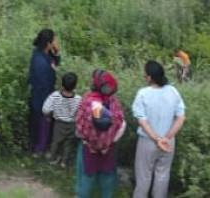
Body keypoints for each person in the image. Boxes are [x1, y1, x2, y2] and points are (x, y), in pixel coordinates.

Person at [132, 60, 186, 198]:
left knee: (143, 177)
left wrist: (156, 139)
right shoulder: (173, 91)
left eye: (145, 75)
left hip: (148, 141)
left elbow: (142, 120)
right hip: (169, 142)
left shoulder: (143, 93)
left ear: (149, 77)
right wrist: (166, 138)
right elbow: (181, 118)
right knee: (162, 176)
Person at [75, 69, 126, 198]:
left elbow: (79, 123)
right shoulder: (114, 103)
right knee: (107, 177)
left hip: (88, 148)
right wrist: (109, 143)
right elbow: (121, 124)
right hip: (108, 149)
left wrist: (89, 142)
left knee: (86, 176)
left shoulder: (87, 100)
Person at [29, 28, 61, 154]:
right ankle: (38, 149)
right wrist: (48, 107)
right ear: (48, 43)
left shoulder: (43, 53)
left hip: (43, 95)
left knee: (42, 125)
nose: (56, 42)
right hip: (41, 99)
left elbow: (55, 63)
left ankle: (40, 146)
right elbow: (44, 86)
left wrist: (56, 53)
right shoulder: (41, 63)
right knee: (41, 125)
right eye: (54, 40)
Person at [42, 70, 81, 168]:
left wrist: (48, 116)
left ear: (62, 83)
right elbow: (81, 112)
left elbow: (45, 109)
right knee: (68, 144)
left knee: (56, 142)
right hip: (72, 124)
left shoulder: (55, 96)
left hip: (59, 124)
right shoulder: (78, 99)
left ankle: (53, 158)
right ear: (75, 85)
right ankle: (64, 162)